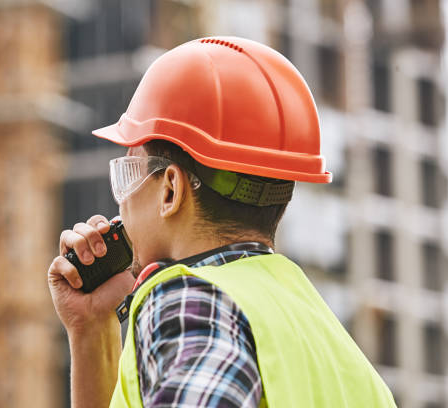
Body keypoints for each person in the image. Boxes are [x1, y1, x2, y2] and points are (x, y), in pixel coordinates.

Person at [48, 37, 397, 407]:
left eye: (130, 170)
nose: (123, 200)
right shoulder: (324, 339)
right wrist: (91, 331)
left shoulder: (192, 303)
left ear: (170, 190)